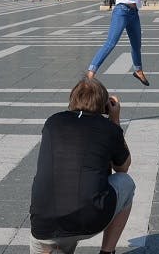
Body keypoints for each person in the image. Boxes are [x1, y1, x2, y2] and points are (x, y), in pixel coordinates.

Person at [29, 78, 134, 254]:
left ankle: (55, 247)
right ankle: (107, 251)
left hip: (42, 226)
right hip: (90, 219)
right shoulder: (108, 128)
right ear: (104, 105)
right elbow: (122, 168)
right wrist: (115, 120)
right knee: (126, 183)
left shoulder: (53, 122)